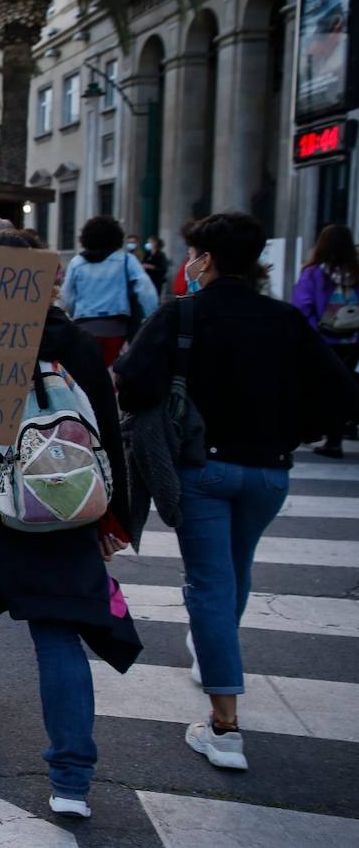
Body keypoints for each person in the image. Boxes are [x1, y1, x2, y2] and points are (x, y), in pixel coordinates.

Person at [116, 212, 359, 772]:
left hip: (206, 471)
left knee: (208, 584)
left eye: (192, 254)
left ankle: (224, 727)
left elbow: (131, 383)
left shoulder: (183, 314)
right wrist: (291, 432)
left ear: (205, 258)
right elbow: (343, 394)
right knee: (234, 571)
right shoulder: (285, 319)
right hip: (270, 473)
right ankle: (211, 651)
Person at [0, 228, 140, 821]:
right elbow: (107, 426)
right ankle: (71, 779)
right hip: (64, 505)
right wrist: (113, 514)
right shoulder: (74, 341)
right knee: (59, 637)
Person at [291, 224, 359, 457]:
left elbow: (302, 306)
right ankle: (335, 438)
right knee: (342, 386)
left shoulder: (314, 273)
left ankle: (313, 431)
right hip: (352, 339)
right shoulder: (355, 271)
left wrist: (311, 334)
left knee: (314, 386)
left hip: (322, 339)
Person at [59, 215, 160, 366]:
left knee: (88, 369)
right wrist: (149, 317)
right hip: (116, 328)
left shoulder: (76, 262)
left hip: (84, 325)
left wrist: (75, 312)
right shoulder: (126, 260)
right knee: (108, 367)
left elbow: (67, 296)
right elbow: (146, 291)